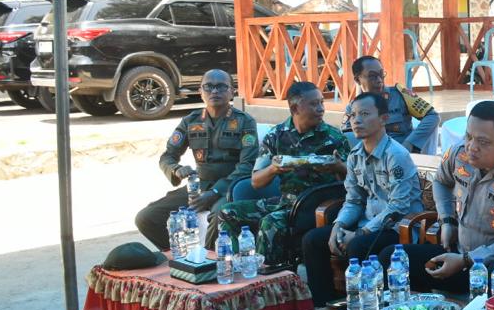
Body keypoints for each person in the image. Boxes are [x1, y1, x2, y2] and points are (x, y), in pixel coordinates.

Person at [397, 100, 494, 296]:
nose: (472, 147)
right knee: (393, 257)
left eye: (483, 142)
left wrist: (468, 259)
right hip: (457, 255)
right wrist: (447, 220)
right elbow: (441, 181)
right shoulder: (459, 153)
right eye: (468, 136)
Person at [302, 92, 424, 306]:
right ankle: (324, 306)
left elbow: (398, 207)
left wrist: (360, 233)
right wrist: (338, 226)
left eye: (365, 114)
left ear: (383, 118)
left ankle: (365, 306)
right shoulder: (355, 155)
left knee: (358, 245)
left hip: (397, 227)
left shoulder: (396, 155)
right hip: (366, 224)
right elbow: (353, 200)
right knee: (312, 239)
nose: (356, 120)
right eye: (353, 115)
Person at [217, 81, 350, 269]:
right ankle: (236, 267)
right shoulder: (276, 135)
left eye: (321, 102)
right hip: (285, 202)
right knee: (227, 212)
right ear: (295, 108)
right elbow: (256, 182)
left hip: (318, 206)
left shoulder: (334, 137)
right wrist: (274, 169)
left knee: (271, 222)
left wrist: (338, 166)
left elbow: (355, 179)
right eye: (314, 104)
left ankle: (270, 277)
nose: (321, 109)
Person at [134, 69, 258, 250]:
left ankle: (209, 261)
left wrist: (215, 192)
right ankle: (181, 256)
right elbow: (167, 156)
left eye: (221, 87)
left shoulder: (244, 121)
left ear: (232, 91)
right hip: (199, 187)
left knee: (220, 215)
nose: (214, 91)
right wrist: (176, 169)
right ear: (200, 92)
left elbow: (247, 166)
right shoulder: (190, 121)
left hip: (229, 188)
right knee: (147, 217)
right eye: (208, 87)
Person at [340, 56, 439, 154]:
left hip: (404, 155)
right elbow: (347, 136)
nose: (379, 80)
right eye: (372, 76)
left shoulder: (401, 95)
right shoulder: (353, 108)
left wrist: (409, 143)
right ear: (358, 80)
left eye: (381, 74)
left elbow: (432, 116)